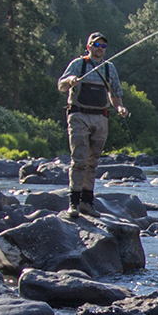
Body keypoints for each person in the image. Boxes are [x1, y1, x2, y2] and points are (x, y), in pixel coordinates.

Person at [56, 32, 129, 216]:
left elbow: (115, 94)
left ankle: (87, 203)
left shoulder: (109, 68)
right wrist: (70, 80)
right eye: (96, 45)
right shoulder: (78, 64)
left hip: (101, 118)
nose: (99, 48)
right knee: (79, 160)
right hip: (79, 116)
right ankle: (73, 204)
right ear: (88, 47)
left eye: (103, 46)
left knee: (93, 162)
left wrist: (120, 108)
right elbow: (61, 86)